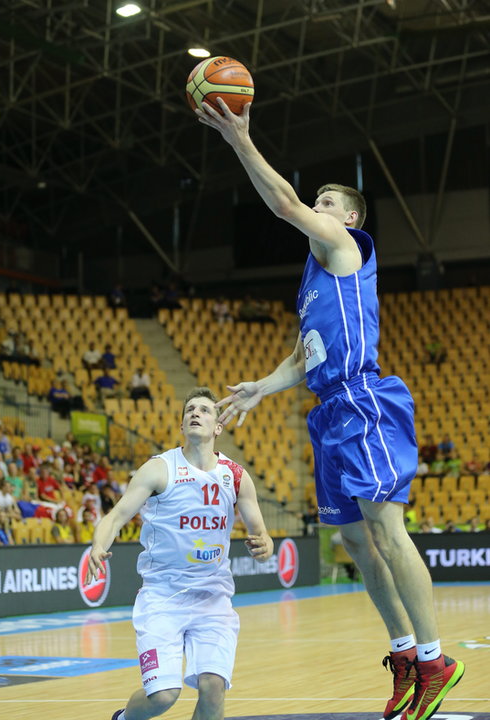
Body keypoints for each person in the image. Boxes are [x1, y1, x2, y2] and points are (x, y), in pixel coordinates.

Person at [196, 100, 464, 720]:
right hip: (328, 410)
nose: (315, 209)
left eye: (325, 203)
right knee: (352, 538)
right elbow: (303, 354)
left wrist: (239, 137)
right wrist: (263, 386)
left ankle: (435, 659)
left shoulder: (343, 245)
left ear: (347, 217)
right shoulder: (314, 280)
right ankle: (404, 657)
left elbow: (284, 204)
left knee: (388, 533)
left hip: (363, 400)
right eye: (315, 203)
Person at [86, 386, 273, 720]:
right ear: (182, 424)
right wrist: (98, 546)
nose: (195, 413)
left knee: (213, 686)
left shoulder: (236, 477)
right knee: (163, 697)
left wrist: (265, 546)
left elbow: (261, 534)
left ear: (218, 427)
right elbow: (115, 516)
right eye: (190, 410)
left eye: (204, 409)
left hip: (213, 598)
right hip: (162, 597)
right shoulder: (159, 469)